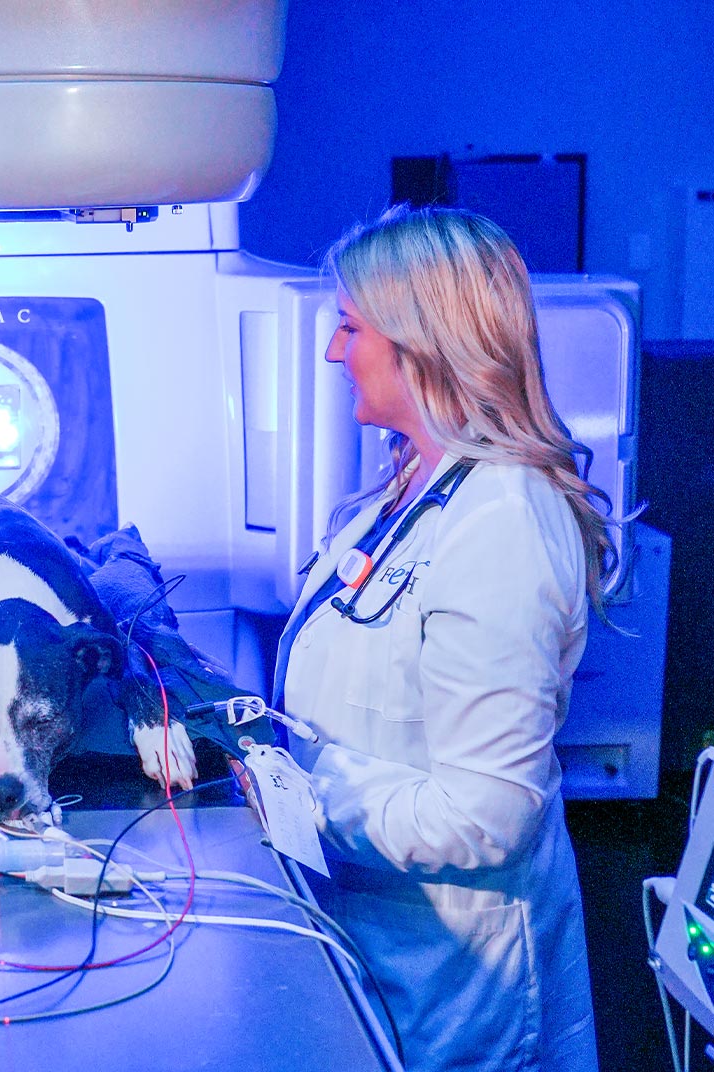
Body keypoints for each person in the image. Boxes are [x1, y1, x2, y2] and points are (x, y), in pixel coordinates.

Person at [275, 205, 607, 1072]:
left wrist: (295, 792)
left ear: (423, 339)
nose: (332, 351)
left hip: (459, 971)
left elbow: (486, 815)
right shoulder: (409, 491)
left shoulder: (503, 520)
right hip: (381, 933)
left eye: (350, 327)